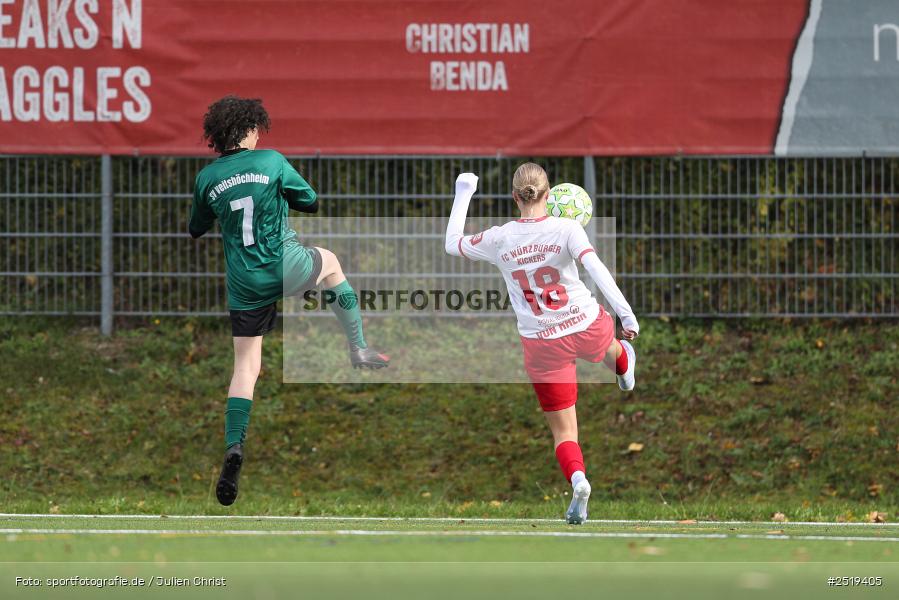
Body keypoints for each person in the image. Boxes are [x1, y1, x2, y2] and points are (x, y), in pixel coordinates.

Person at [190, 95, 389, 506]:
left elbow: (195, 227)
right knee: (331, 263)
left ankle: (233, 446)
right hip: (285, 265)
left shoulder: (207, 178)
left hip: (245, 283)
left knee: (246, 366)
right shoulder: (272, 161)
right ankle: (359, 347)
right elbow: (311, 201)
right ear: (248, 131)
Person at [445, 164, 638, 524]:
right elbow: (596, 269)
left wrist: (464, 191)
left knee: (565, 432)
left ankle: (579, 480)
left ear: (515, 197)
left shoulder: (500, 237)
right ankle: (624, 365)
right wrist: (626, 314)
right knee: (613, 350)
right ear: (550, 196)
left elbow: (451, 243)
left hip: (542, 342)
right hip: (584, 323)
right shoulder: (567, 228)